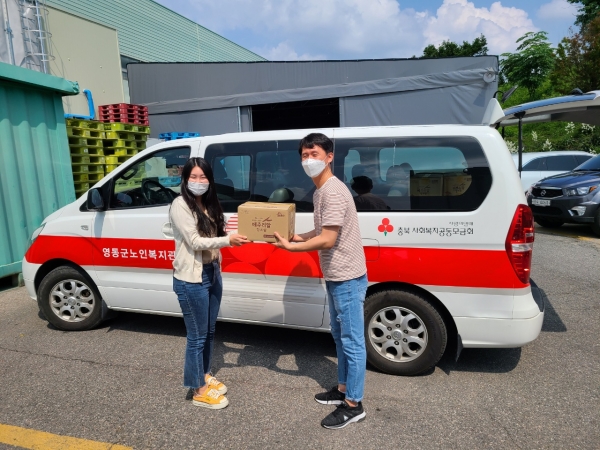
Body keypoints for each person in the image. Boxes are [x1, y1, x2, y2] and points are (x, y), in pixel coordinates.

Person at [273, 133, 368, 429]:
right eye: (304, 155)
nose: (308, 160)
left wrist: (291, 248)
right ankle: (342, 389)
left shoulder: (333, 191)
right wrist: (296, 237)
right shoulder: (320, 191)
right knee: (340, 336)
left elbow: (328, 239)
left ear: (329, 157)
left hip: (347, 276)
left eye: (314, 154)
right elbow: (320, 230)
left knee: (352, 341)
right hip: (337, 275)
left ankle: (353, 404)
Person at [170, 157, 249, 409]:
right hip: (191, 279)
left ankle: (204, 374)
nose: (198, 181)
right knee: (197, 336)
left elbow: (217, 235)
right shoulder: (180, 204)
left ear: (210, 180)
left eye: (203, 177)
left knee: (210, 331)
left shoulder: (209, 203)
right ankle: (198, 390)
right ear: (185, 179)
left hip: (212, 272)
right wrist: (228, 241)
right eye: (193, 177)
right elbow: (194, 242)